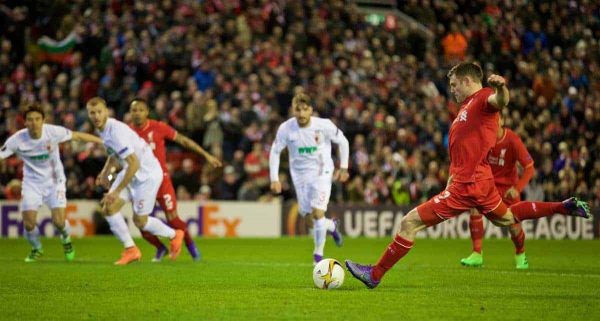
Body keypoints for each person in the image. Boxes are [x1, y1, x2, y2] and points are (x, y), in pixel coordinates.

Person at [345, 62, 591, 288]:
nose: (452, 90)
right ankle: (563, 207)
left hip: (468, 184)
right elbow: (464, 149)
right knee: (507, 218)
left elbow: (501, 101)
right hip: (479, 181)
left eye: (454, 85)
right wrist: (452, 176)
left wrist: (502, 87)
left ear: (466, 81)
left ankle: (374, 275)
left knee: (409, 222)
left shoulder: (483, 98)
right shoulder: (466, 109)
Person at [0, 103, 103, 262]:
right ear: (25, 122)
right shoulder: (17, 140)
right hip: (31, 183)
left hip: (55, 182)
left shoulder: (53, 132)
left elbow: (77, 135)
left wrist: (102, 141)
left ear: (43, 120)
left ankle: (66, 238)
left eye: (37, 119)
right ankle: (36, 248)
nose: (34, 123)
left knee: (59, 222)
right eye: (30, 120)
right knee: (28, 224)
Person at [86, 97, 184, 265]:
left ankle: (174, 235)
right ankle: (131, 250)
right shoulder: (103, 130)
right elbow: (113, 153)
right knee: (109, 208)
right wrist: (105, 172)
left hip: (147, 175)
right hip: (131, 171)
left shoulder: (116, 131)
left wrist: (116, 191)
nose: (96, 116)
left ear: (107, 112)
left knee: (140, 221)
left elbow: (134, 163)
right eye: (92, 113)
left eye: (99, 112)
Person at [127, 98, 222, 262]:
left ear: (147, 112)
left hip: (161, 181)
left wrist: (206, 155)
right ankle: (160, 248)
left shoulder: (158, 127)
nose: (137, 113)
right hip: (141, 183)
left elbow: (183, 140)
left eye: (141, 110)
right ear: (130, 112)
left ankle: (192, 249)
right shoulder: (127, 132)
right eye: (134, 110)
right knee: (141, 223)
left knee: (173, 219)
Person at [269, 93, 350, 264]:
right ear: (293, 110)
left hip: (322, 172)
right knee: (310, 219)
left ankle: (317, 256)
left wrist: (344, 167)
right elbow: (275, 151)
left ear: (311, 110)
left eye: (305, 110)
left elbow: (343, 141)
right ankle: (332, 226)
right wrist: (274, 178)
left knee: (318, 212)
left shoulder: (323, 125)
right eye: (298, 110)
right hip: (300, 177)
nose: (301, 114)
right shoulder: (286, 128)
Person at [461, 118, 535, 269]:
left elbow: (529, 166)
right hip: (488, 186)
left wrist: (517, 188)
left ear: (502, 122)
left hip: (508, 190)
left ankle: (520, 253)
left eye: (495, 119)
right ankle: (477, 254)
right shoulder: (484, 139)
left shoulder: (512, 140)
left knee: (514, 227)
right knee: (474, 208)